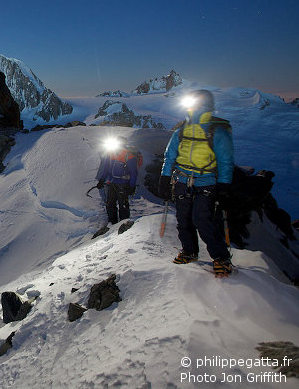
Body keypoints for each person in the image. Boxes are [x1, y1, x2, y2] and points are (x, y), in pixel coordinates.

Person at [158, 89, 234, 277]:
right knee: (184, 219)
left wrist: (224, 185)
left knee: (202, 219)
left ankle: (221, 257)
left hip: (205, 182)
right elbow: (170, 156)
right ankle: (189, 251)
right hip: (184, 180)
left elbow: (225, 161)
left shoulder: (215, 131)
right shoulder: (182, 130)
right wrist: (165, 178)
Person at [96, 136, 140, 224]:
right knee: (110, 204)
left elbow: (133, 172)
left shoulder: (129, 156)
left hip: (123, 184)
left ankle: (123, 225)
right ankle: (112, 224)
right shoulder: (111, 153)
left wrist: (131, 186)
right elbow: (106, 169)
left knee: (123, 205)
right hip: (111, 183)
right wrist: (102, 180)